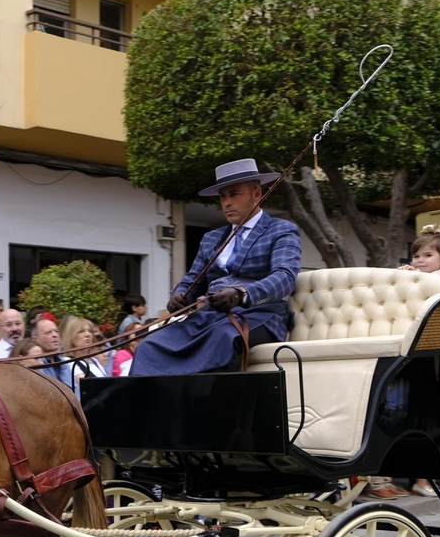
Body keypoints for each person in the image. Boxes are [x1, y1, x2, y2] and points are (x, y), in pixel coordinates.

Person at [130, 160, 301, 376]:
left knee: (224, 339)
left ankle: (205, 404)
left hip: (260, 315)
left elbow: (284, 277)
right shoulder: (211, 238)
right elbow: (192, 280)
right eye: (222, 196)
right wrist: (180, 294)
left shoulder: (281, 230)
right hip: (211, 316)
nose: (227, 202)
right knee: (150, 346)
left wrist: (242, 293)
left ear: (257, 194)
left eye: (234, 194)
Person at [60, 315, 108, 389]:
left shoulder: (94, 361)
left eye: (90, 331)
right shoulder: (69, 361)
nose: (88, 334)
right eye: (81, 331)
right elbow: (87, 385)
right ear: (71, 338)